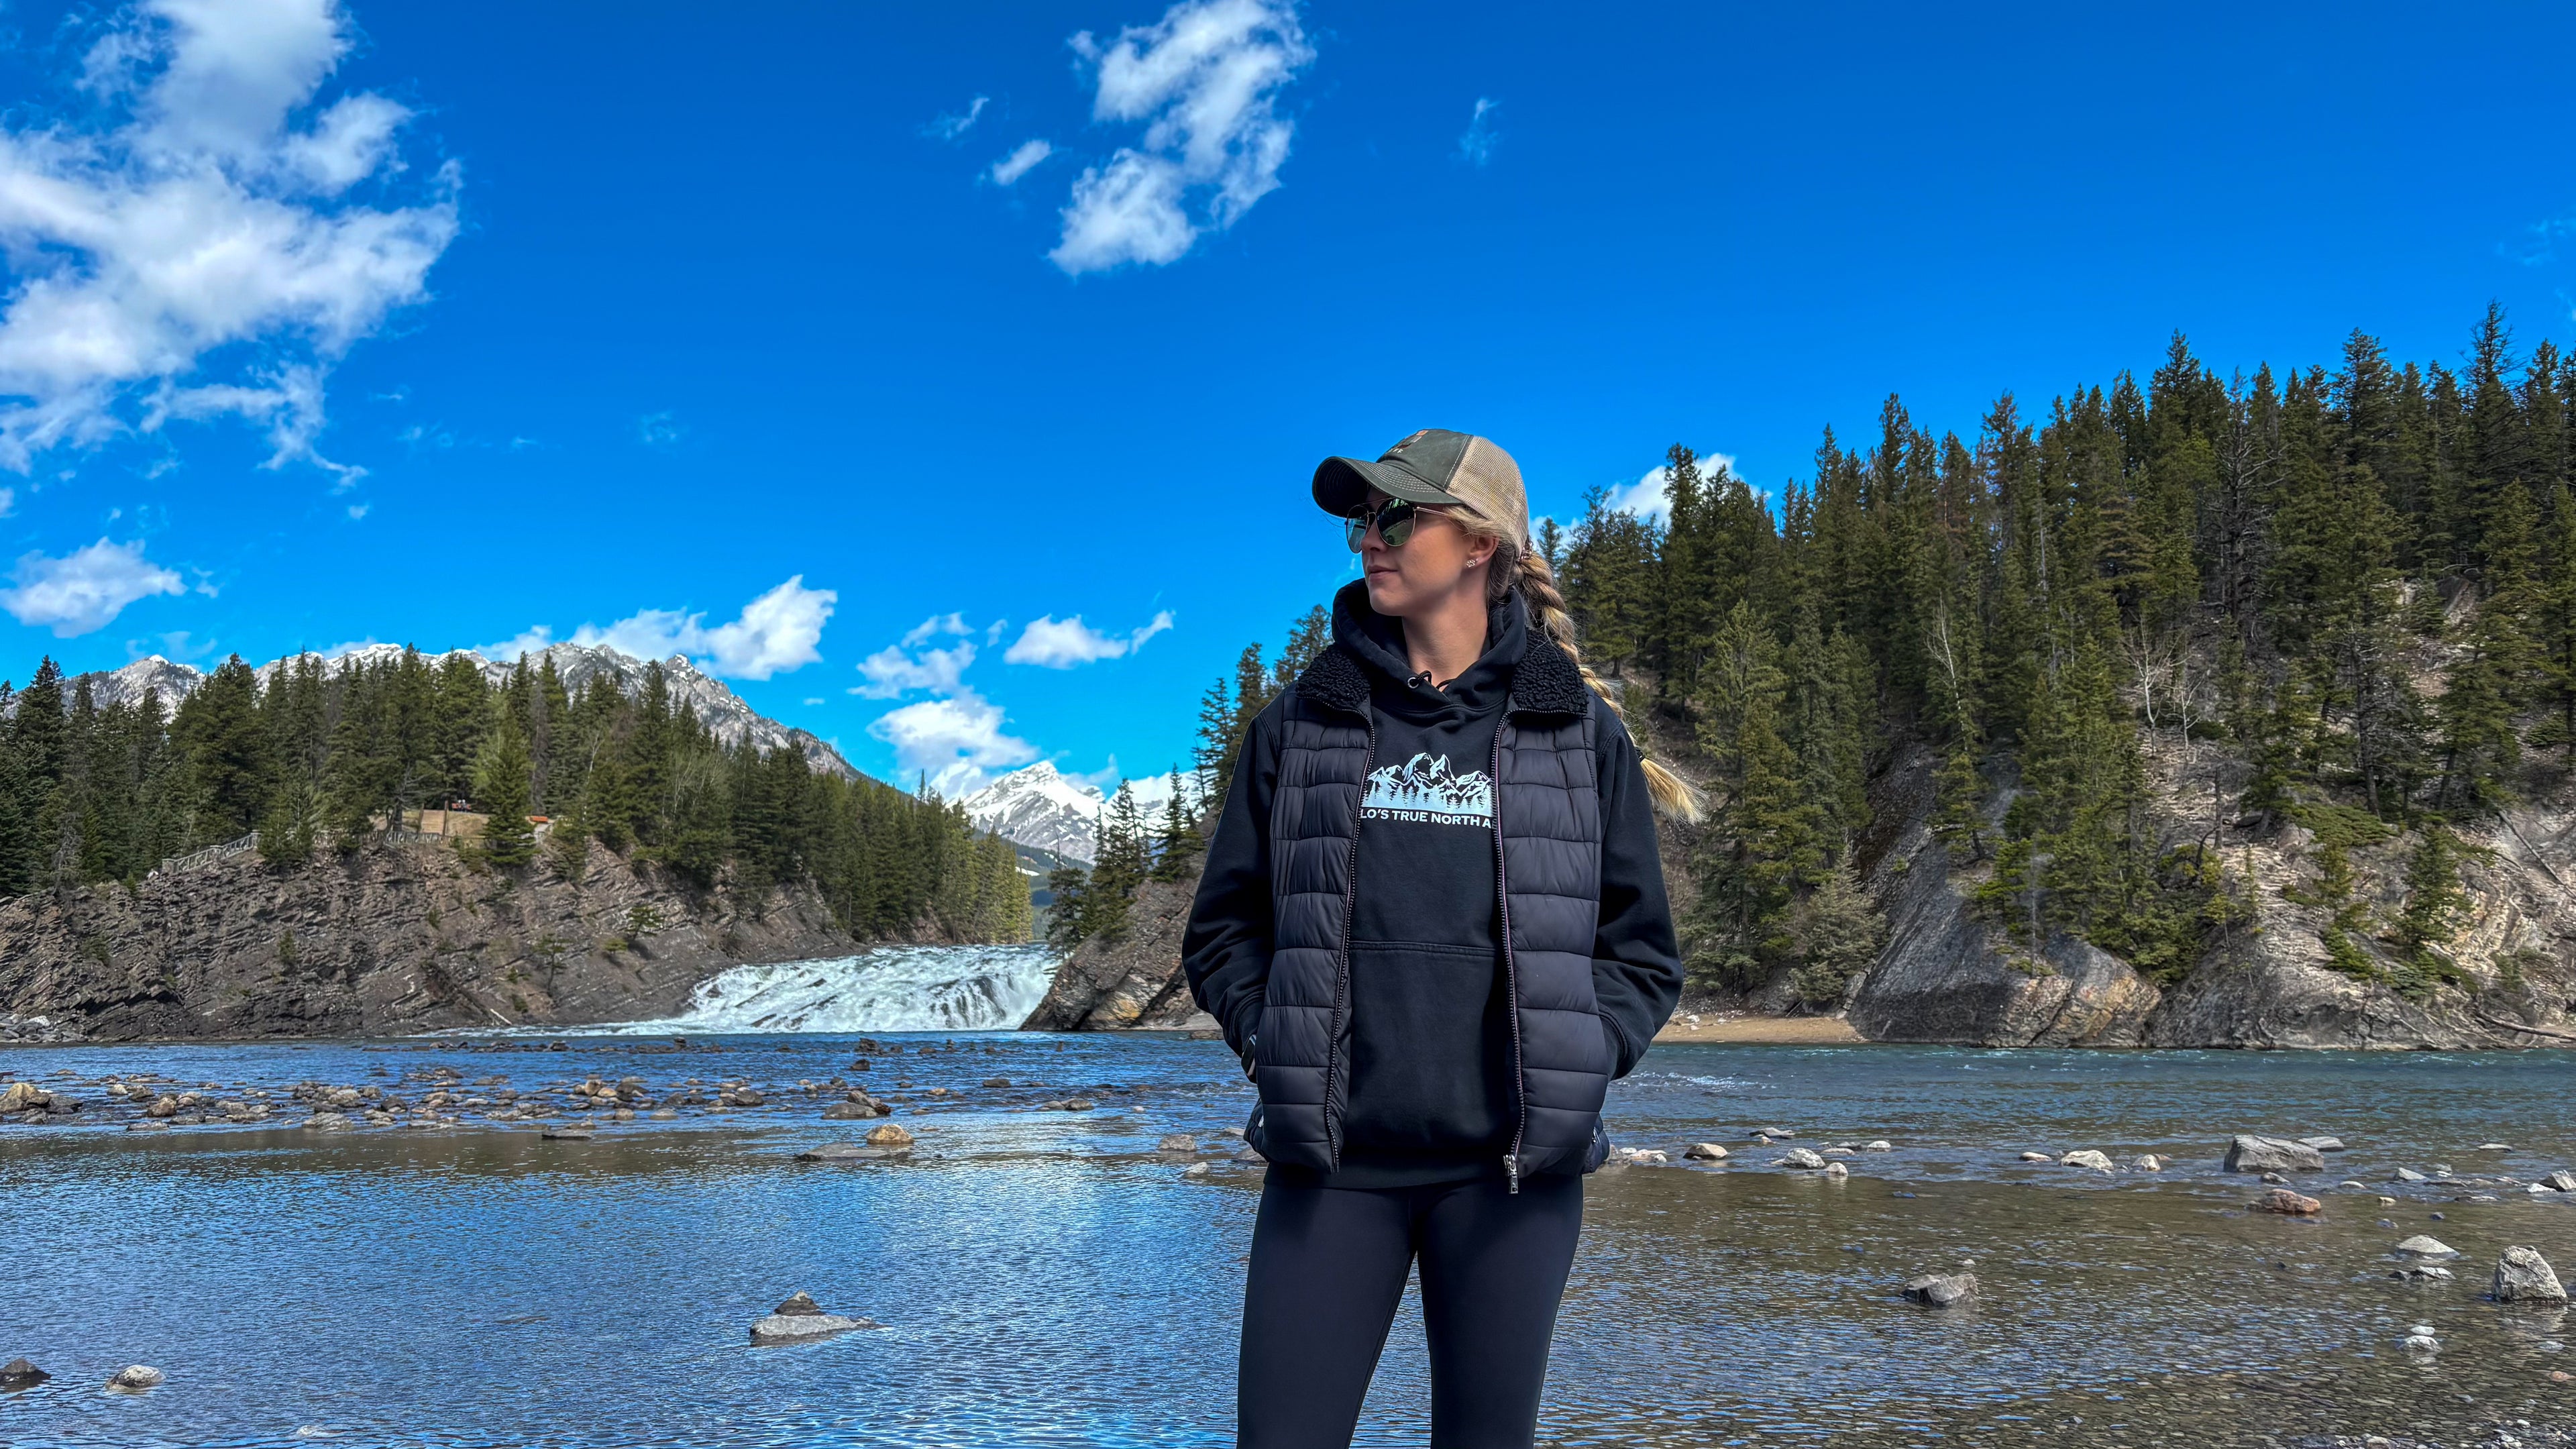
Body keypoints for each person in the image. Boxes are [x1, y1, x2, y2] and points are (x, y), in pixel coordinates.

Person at [1182, 429, 1697, 1448]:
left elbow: (1640, 953)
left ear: (1477, 544)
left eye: (1394, 517)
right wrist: (1268, 1035)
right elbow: (1224, 930)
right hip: (1331, 1171)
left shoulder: (1575, 732)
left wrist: (1582, 1056)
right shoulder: (1302, 721)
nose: (1367, 539)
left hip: (1509, 1181)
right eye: (1358, 520)